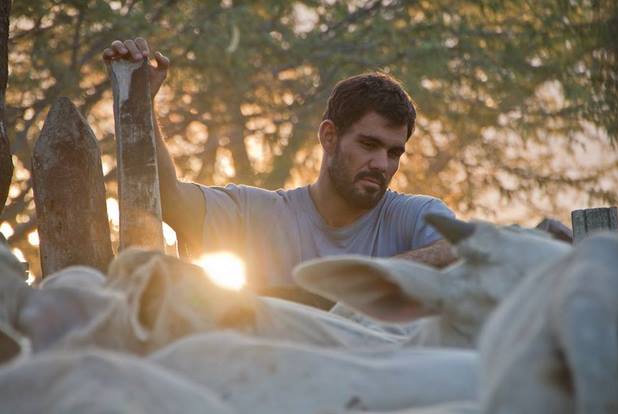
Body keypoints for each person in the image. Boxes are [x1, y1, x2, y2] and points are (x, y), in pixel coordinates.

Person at [103, 38, 457, 293]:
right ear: (329, 137)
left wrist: (361, 280)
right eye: (369, 145)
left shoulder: (414, 215)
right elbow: (170, 200)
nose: (381, 163)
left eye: (394, 153)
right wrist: (142, 105)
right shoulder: (260, 213)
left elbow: (459, 251)